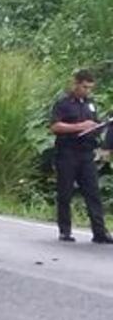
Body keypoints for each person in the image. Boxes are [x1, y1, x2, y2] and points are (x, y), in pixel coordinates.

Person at [49, 69, 112, 244]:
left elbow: (93, 124)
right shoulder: (63, 103)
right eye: (84, 87)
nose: (87, 91)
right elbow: (55, 127)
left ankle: (99, 232)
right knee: (65, 192)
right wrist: (79, 127)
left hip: (86, 153)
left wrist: (98, 127)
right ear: (75, 84)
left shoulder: (90, 104)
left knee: (93, 192)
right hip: (67, 152)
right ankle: (65, 230)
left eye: (90, 88)